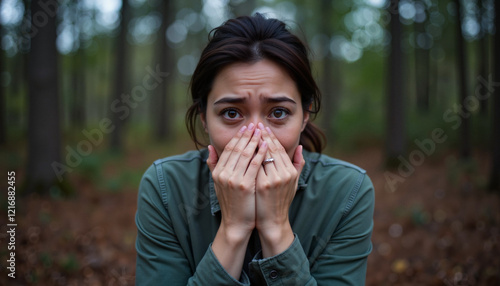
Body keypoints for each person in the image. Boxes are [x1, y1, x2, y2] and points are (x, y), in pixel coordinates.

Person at [135, 13, 374, 285]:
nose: (258, 137)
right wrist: (233, 230)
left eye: (279, 112)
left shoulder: (347, 191)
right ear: (204, 118)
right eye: (232, 113)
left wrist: (276, 228)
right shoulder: (166, 186)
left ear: (305, 115)